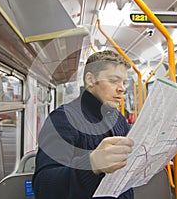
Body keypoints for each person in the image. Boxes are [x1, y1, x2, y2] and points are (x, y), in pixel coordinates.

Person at [33, 50, 135, 199]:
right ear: (90, 80)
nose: (122, 88)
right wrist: (92, 164)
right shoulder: (63, 119)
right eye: (114, 80)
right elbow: (43, 186)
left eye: (124, 82)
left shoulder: (117, 118)